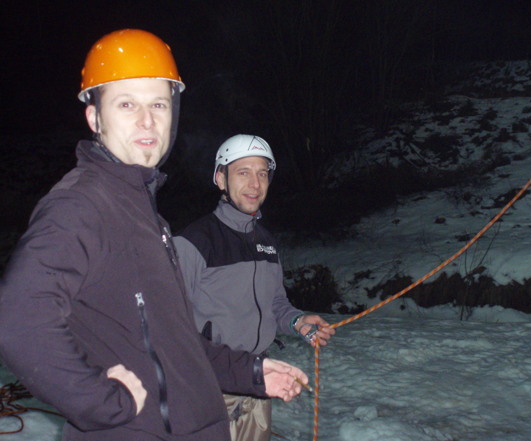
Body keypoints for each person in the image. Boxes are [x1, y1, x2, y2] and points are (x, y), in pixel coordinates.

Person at [0, 29, 308, 441]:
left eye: (159, 104)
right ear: (94, 117)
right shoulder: (80, 207)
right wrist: (101, 402)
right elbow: (19, 320)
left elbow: (175, 341)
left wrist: (249, 372)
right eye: (126, 104)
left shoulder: (148, 218)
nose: (147, 121)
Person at [174, 134, 336, 441]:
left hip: (258, 382)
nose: (255, 183)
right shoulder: (192, 243)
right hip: (208, 390)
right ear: (220, 179)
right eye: (243, 172)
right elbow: (168, 328)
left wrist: (296, 321)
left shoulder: (266, 242)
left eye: (262, 173)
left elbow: (274, 302)